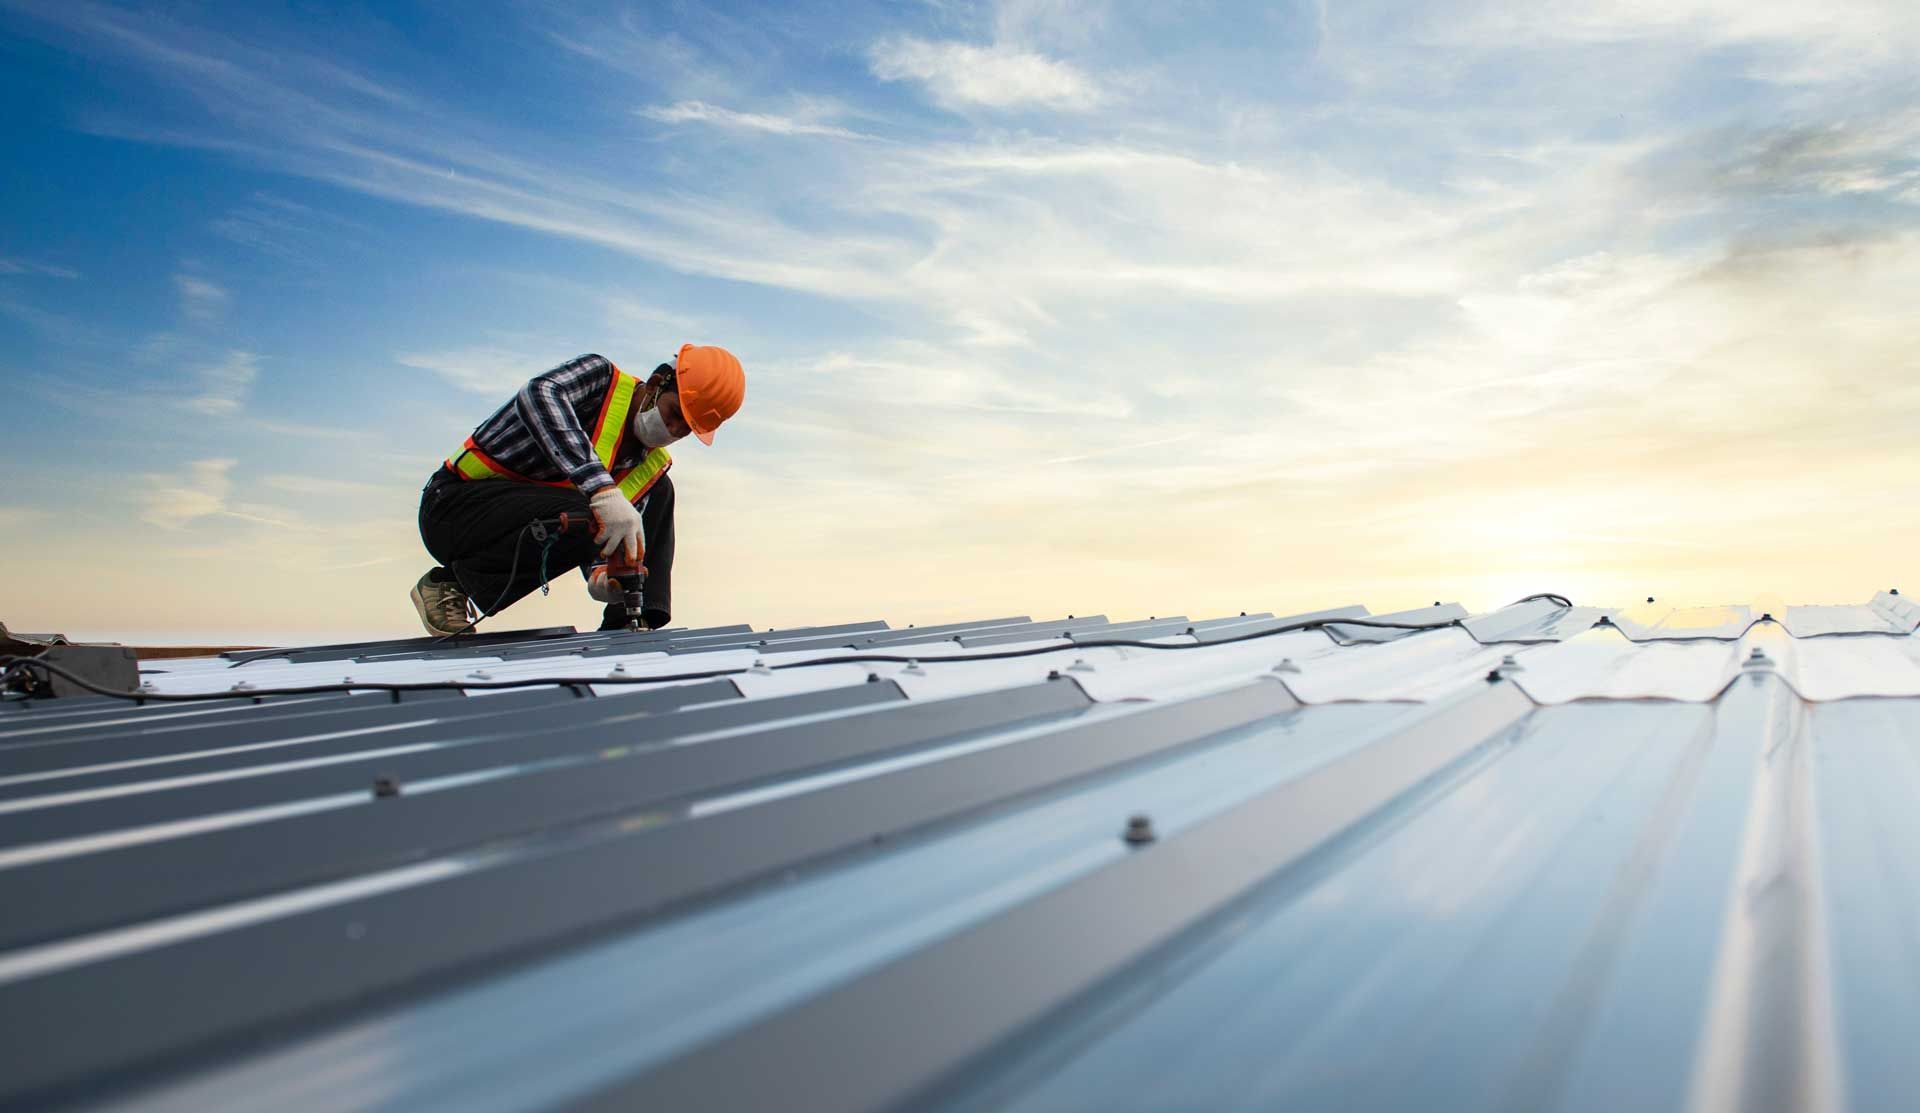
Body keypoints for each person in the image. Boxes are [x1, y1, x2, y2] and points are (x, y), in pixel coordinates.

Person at [411, 347, 745, 636]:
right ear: (658, 384)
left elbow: (603, 529)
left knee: (659, 491)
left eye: (684, 430)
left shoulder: (647, 466)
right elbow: (539, 394)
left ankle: (631, 617)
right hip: (454, 510)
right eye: (674, 414)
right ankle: (449, 583)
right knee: (593, 506)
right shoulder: (600, 380)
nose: (671, 431)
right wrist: (601, 489)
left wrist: (606, 573)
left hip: (532, 522)